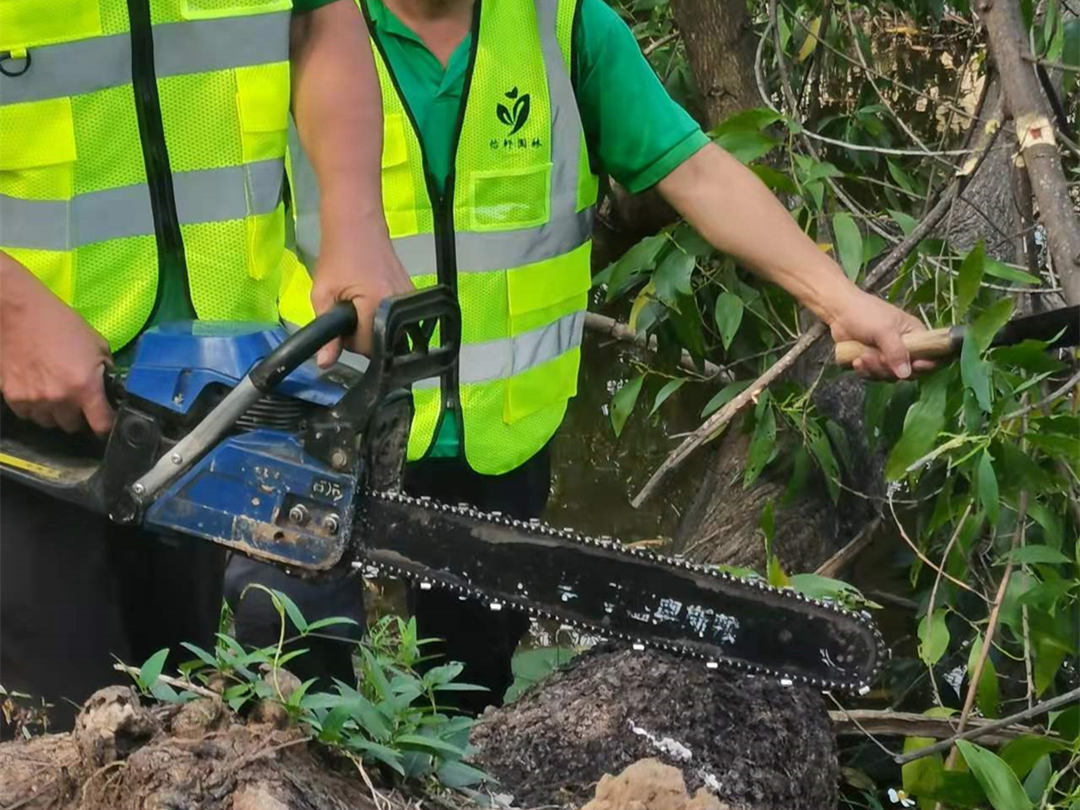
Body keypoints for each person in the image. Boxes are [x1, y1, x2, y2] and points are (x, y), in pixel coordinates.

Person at [227, 0, 932, 713]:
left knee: (468, 687)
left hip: (501, 431)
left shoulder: (563, 26)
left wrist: (840, 300)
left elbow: (697, 172)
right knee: (285, 641)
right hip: (323, 409)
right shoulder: (301, 25)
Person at [0, 0, 411, 733]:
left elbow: (321, 18)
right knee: (56, 729)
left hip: (195, 388)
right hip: (19, 400)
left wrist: (353, 217)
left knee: (165, 711)